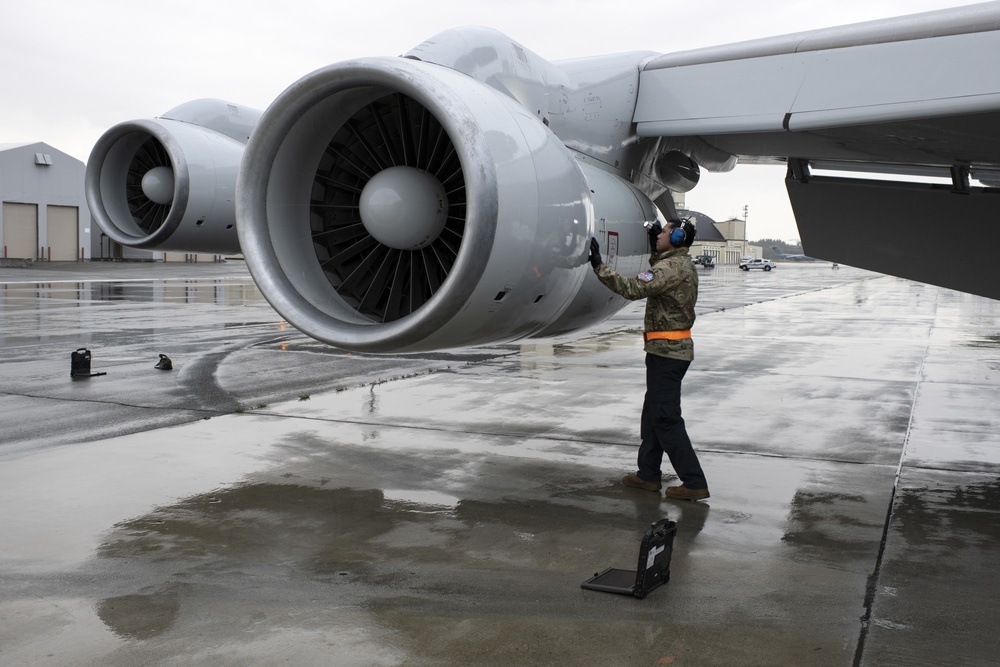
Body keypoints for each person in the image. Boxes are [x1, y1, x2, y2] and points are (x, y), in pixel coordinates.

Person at [588, 218, 710, 501]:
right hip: (666, 352)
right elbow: (660, 272)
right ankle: (648, 475)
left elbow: (633, 288)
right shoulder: (678, 264)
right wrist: (657, 247)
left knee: (665, 418)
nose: (659, 234)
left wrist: (598, 265)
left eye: (666, 232)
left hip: (667, 354)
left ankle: (694, 481)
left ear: (678, 238)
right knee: (653, 415)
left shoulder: (670, 268)